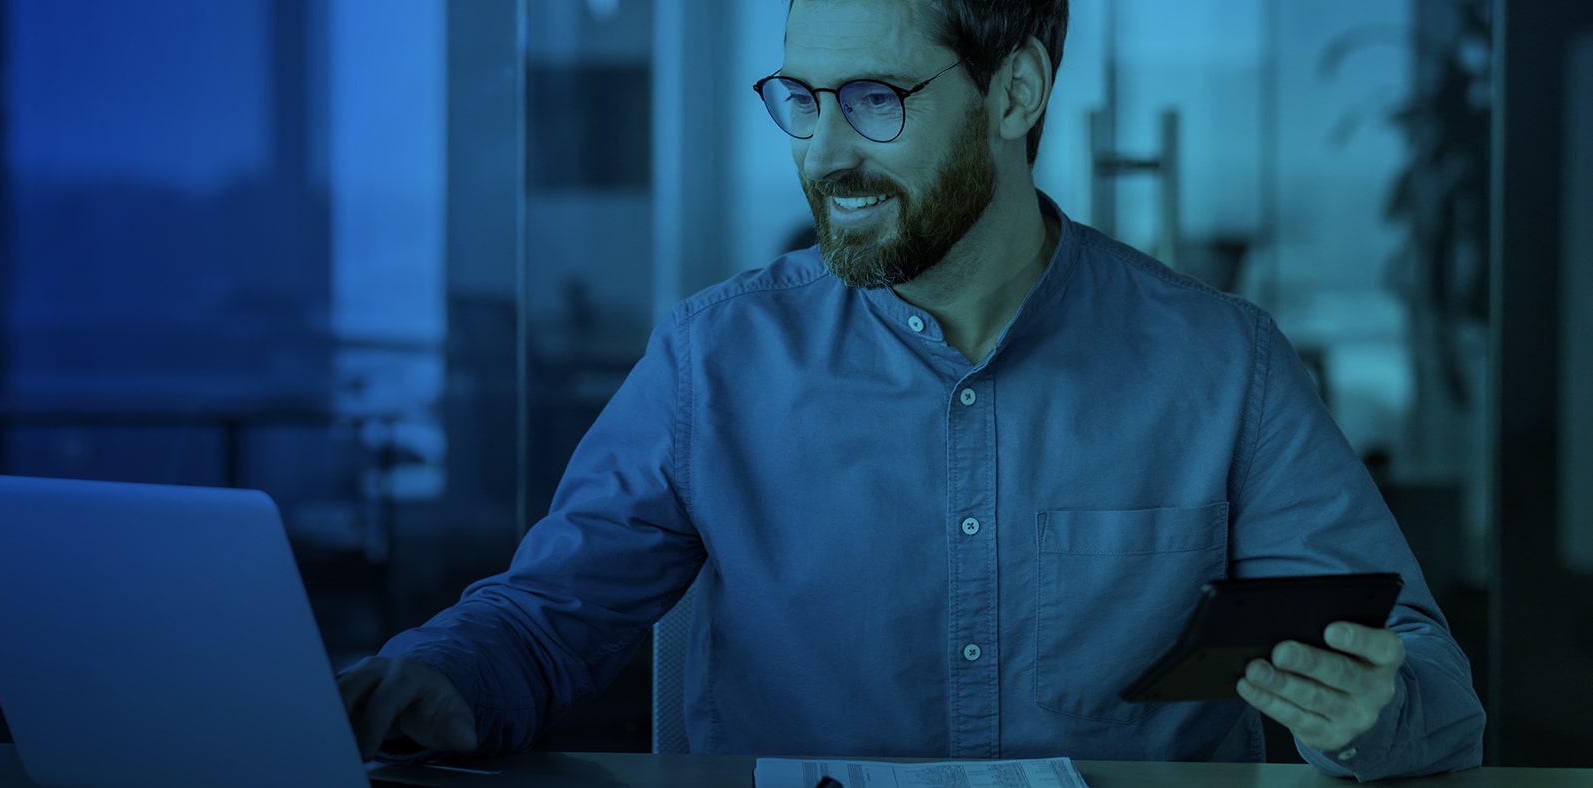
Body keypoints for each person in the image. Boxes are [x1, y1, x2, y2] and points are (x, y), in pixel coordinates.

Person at [337, 0, 1486, 779]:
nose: (825, 151)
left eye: (874, 100)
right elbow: (542, 623)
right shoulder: (710, 358)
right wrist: (424, 682)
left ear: (1015, 91)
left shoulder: (1221, 364)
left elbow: (1430, 680)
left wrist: (1370, 710)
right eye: (801, 97)